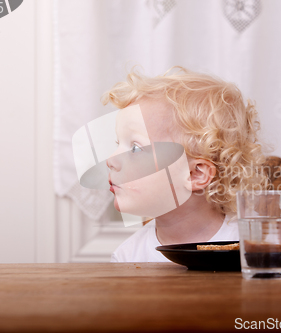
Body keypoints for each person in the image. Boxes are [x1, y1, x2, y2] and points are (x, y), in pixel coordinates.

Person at [102, 67, 268, 262]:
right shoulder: (127, 258)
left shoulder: (252, 248)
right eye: (118, 144)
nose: (111, 160)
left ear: (194, 174)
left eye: (135, 148)